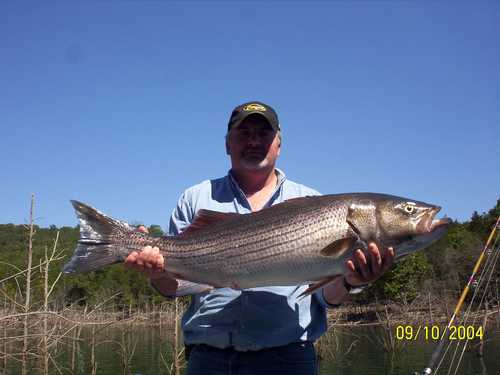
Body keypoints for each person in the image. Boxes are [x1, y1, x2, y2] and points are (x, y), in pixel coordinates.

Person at [125, 101, 394, 375]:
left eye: (263, 133)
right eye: (244, 133)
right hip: (208, 359)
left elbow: (325, 298)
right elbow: (177, 286)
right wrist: (157, 274)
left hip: (288, 359)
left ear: (279, 143)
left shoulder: (315, 204)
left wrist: (351, 281)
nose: (254, 141)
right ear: (227, 144)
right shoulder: (195, 198)